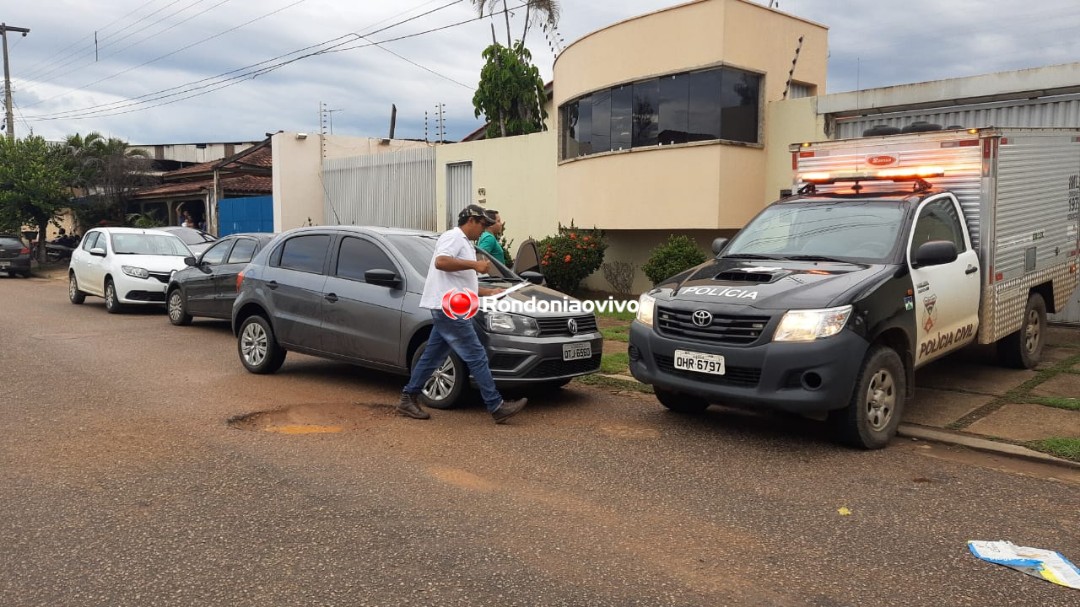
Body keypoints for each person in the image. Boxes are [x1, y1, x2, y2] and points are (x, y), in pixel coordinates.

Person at [396, 204, 527, 423]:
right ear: (471, 221)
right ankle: (496, 407)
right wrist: (475, 265)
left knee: (433, 355)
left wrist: (489, 292)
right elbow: (441, 262)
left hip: (450, 306)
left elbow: (460, 283)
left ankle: (407, 398)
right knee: (476, 355)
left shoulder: (464, 243)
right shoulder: (453, 237)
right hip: (449, 308)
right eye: (482, 225)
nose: (483, 230)